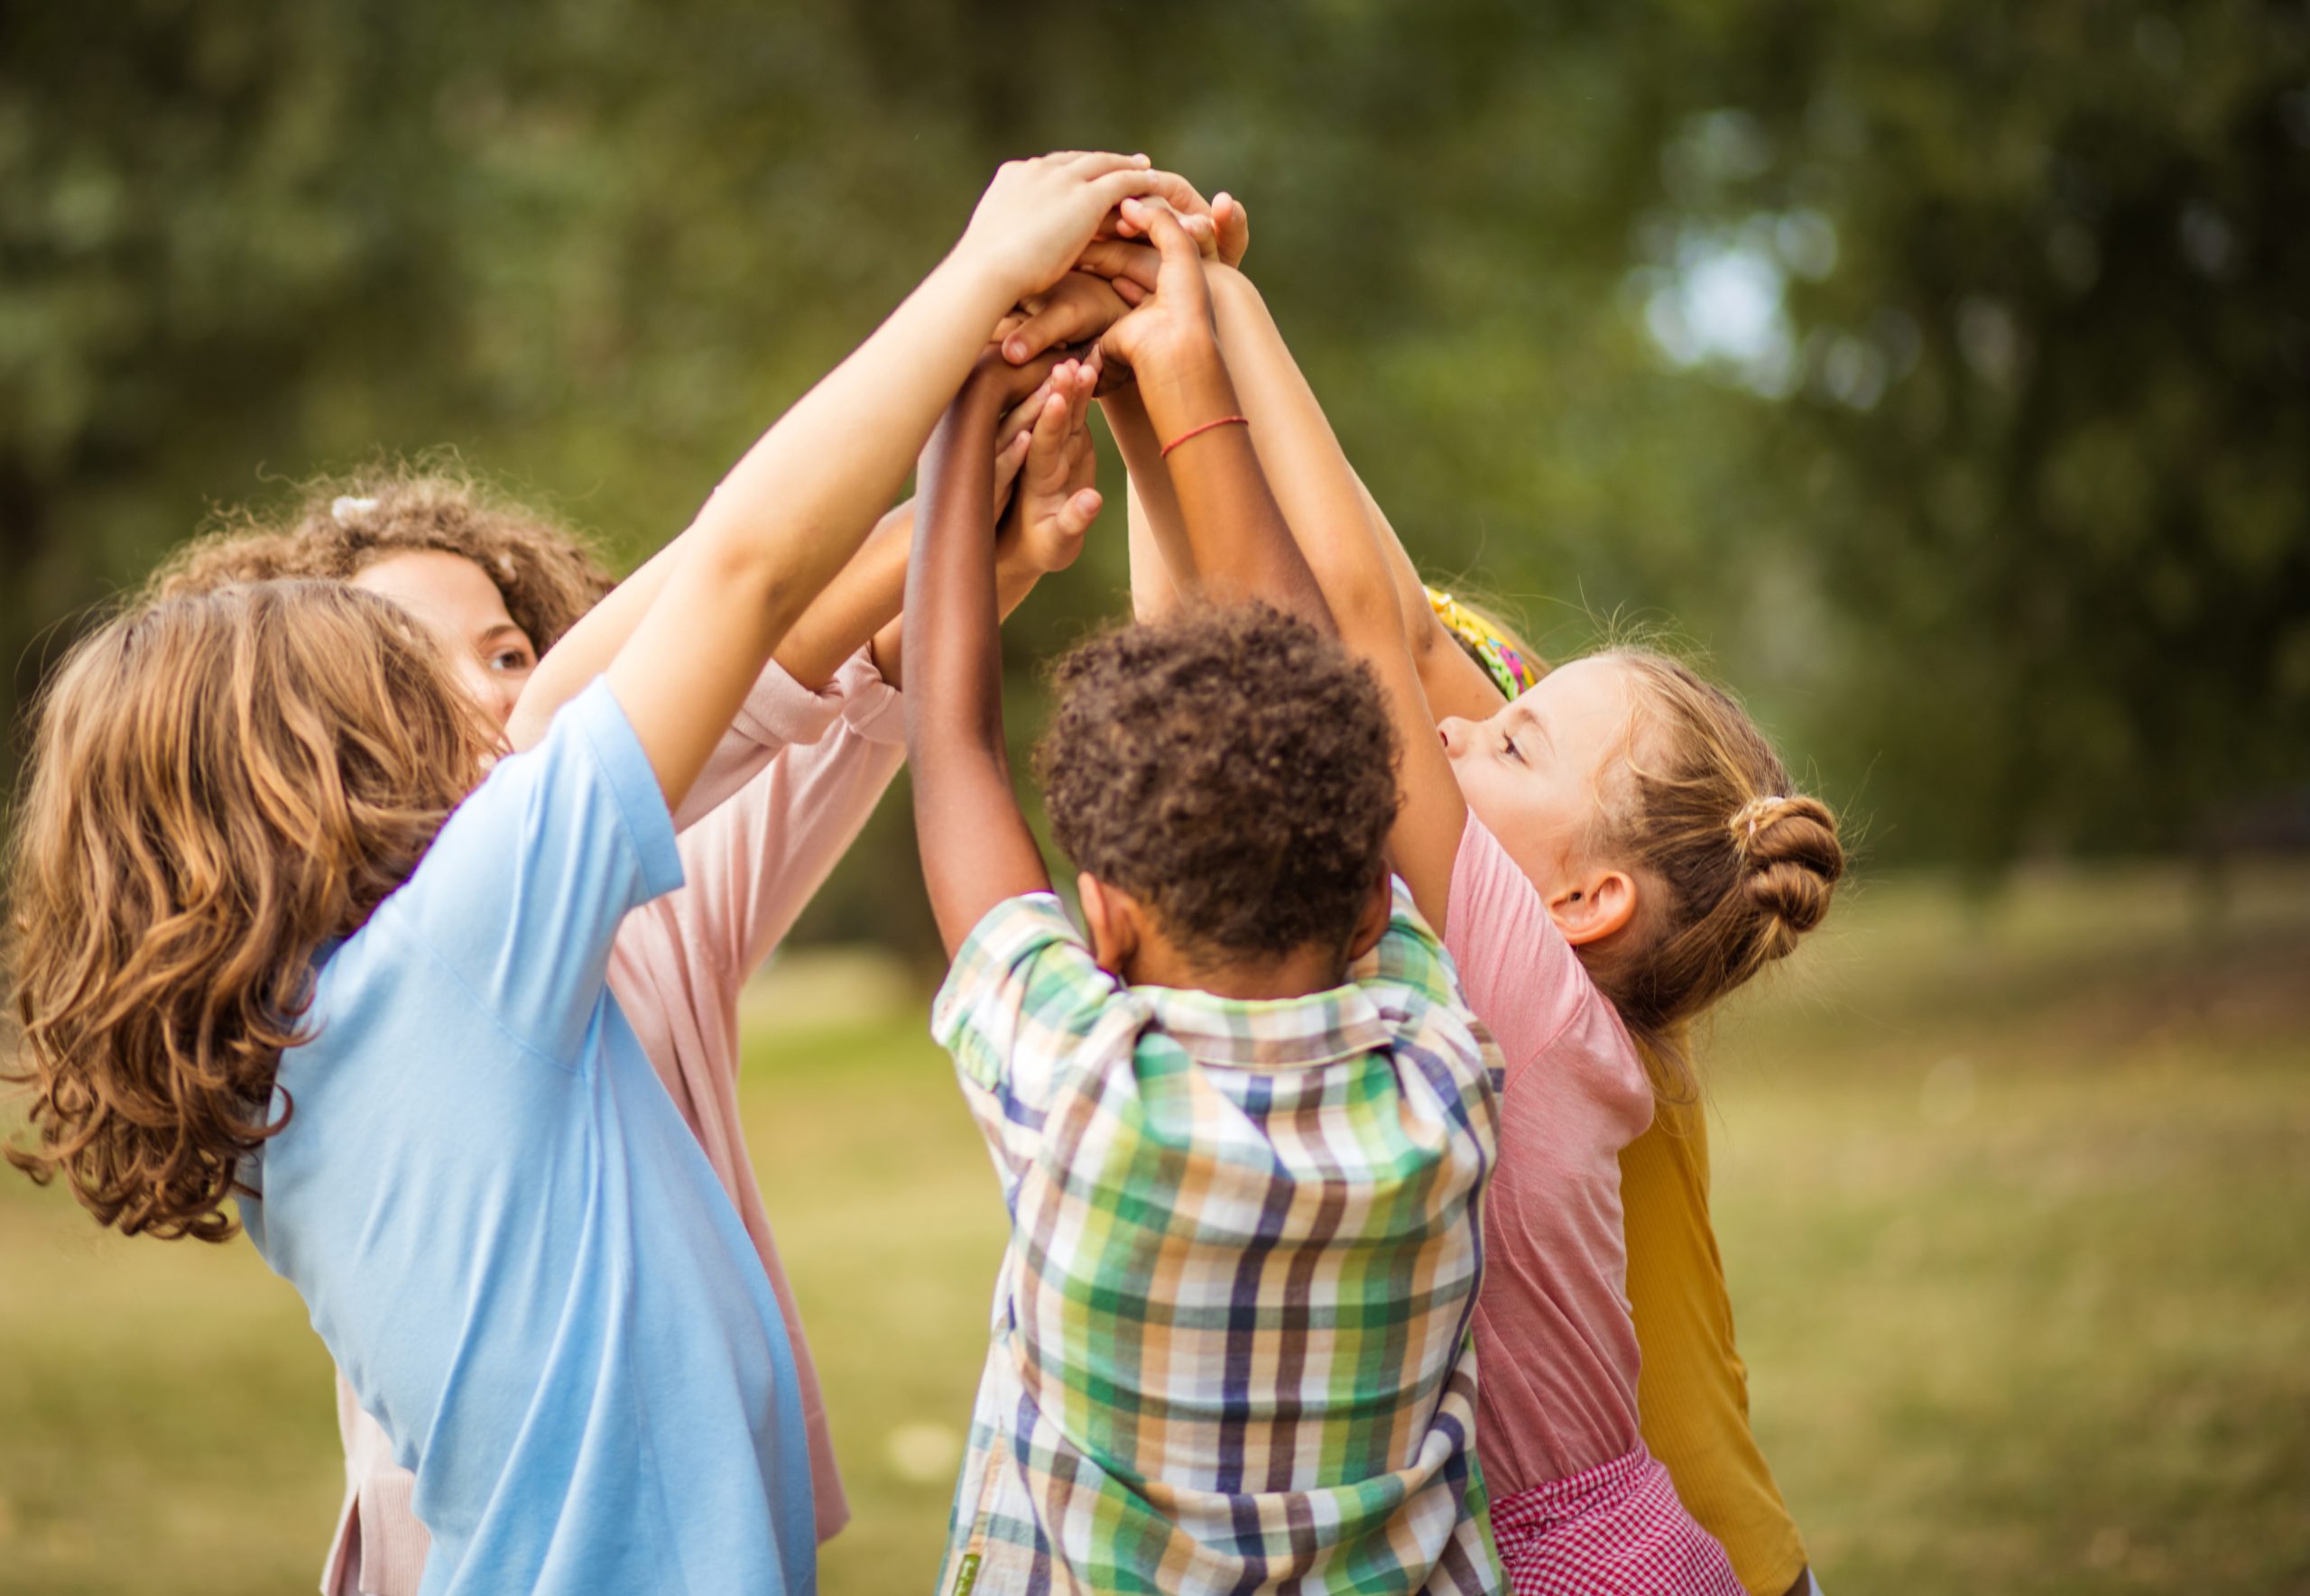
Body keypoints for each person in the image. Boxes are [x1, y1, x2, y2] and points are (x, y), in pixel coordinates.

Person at [5, 150, 1197, 1596]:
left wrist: (961, 474)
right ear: (305, 778)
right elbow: (736, 571)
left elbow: (682, 613)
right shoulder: (457, 950)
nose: (496, 713)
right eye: (408, 686)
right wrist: (970, 287)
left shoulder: (325, 1031)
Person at [146, 412, 1097, 1596]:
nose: (488, 696)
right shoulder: (374, 990)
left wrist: (987, 544)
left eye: (507, 653)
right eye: (402, 665)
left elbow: (840, 698)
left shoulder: (655, 909)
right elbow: (765, 597)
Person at [1053, 193, 1842, 1595]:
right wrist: (1145, 390)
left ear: (1594, 891)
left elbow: (1370, 622)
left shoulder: (1526, 988)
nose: (1464, 728)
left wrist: (1218, 307)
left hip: (1596, 1554)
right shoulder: (1472, 972)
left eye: (1513, 728)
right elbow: (1222, 661)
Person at [901, 203, 1506, 1593]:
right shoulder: (1443, 1082)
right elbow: (1321, 685)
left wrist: (969, 393)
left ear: (1099, 916)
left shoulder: (1082, 1088)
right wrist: (1181, 384)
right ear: (1368, 906)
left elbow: (946, 746)